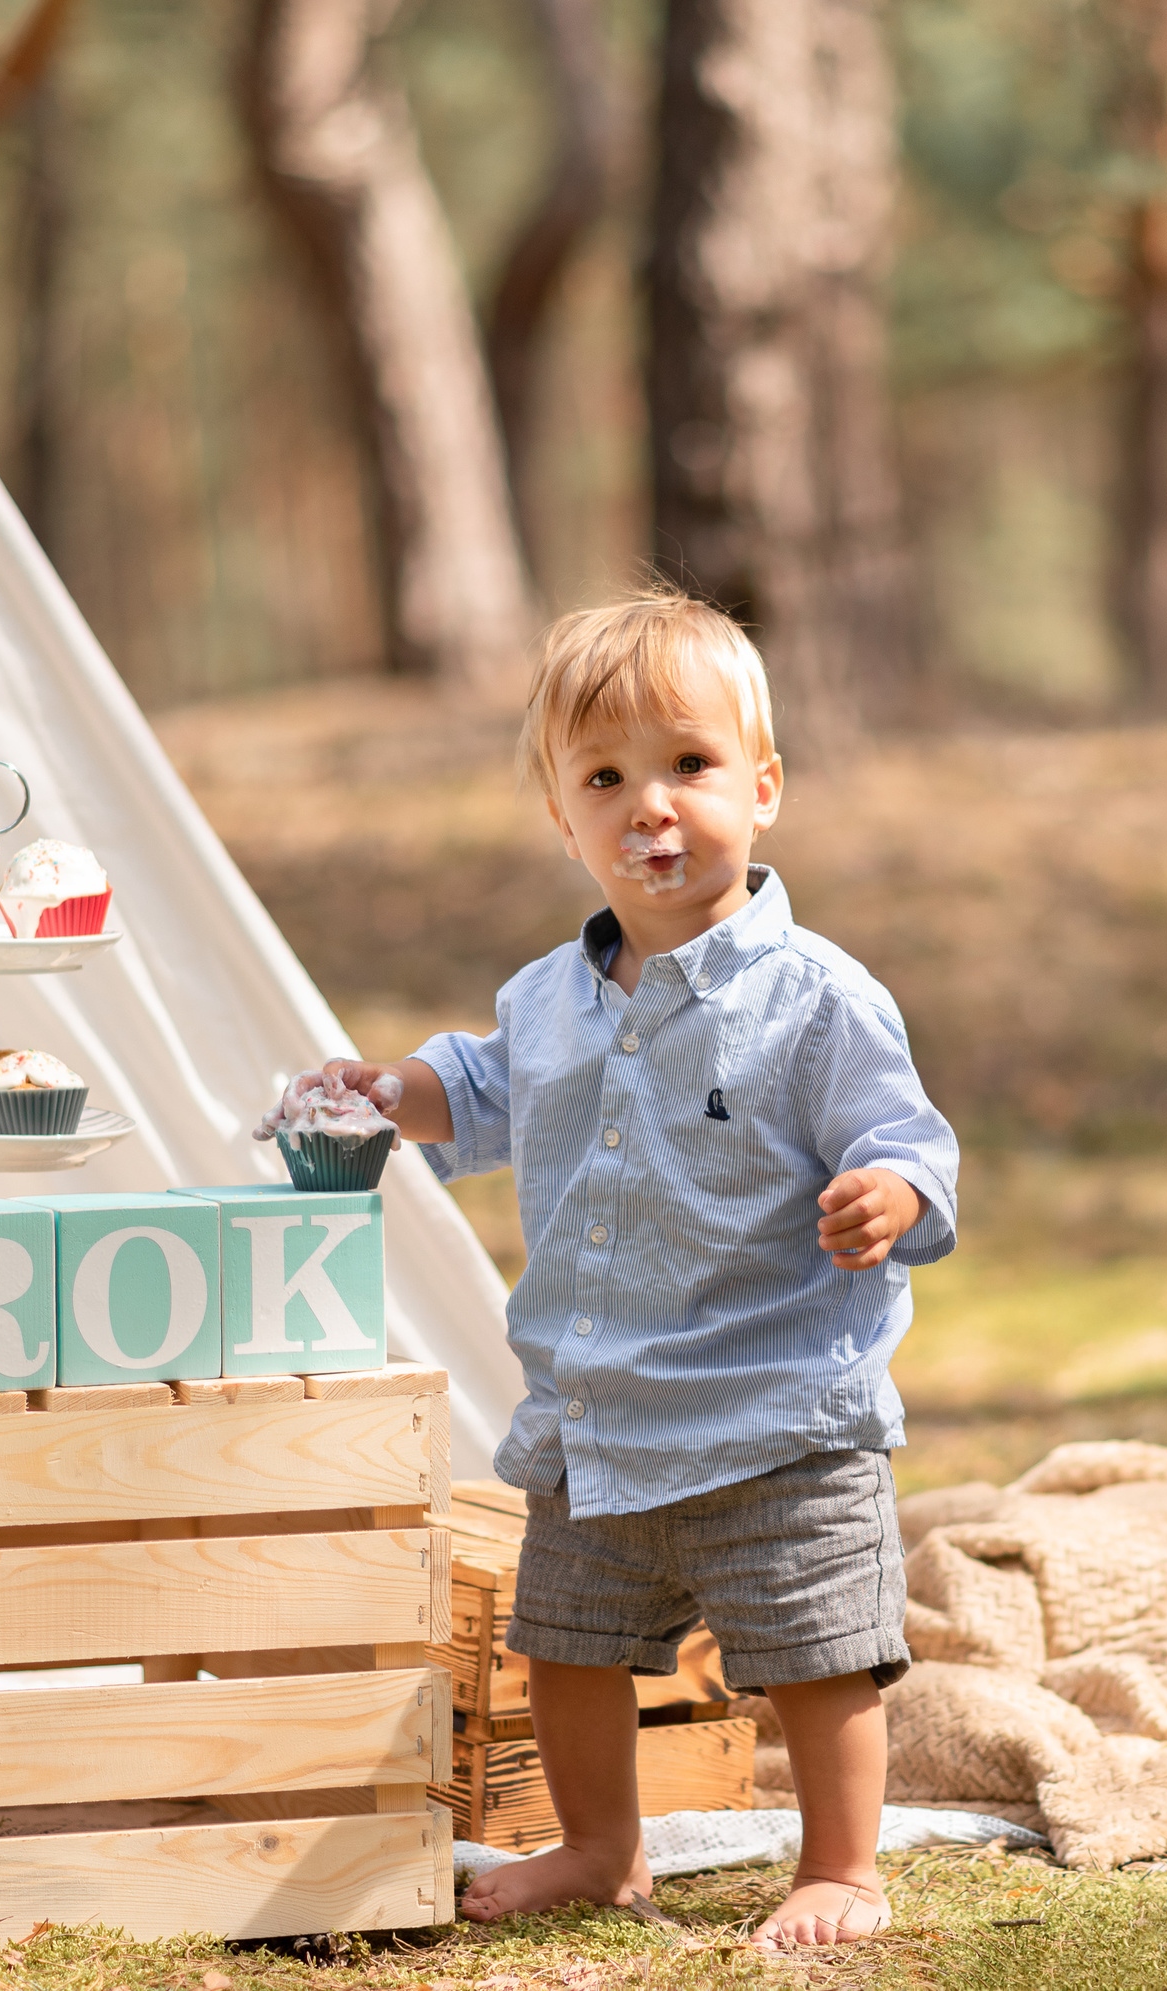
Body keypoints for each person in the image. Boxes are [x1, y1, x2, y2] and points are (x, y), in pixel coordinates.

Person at [323, 587, 958, 1949]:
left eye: (689, 764)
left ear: (763, 788)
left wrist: (892, 1193)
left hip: (772, 1412)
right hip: (599, 1415)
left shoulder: (817, 999)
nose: (648, 807)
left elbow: (908, 1135)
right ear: (565, 820)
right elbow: (479, 1090)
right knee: (564, 1647)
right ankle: (602, 1848)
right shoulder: (546, 999)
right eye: (604, 779)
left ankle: (841, 1866)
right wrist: (391, 1093)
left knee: (819, 1652)